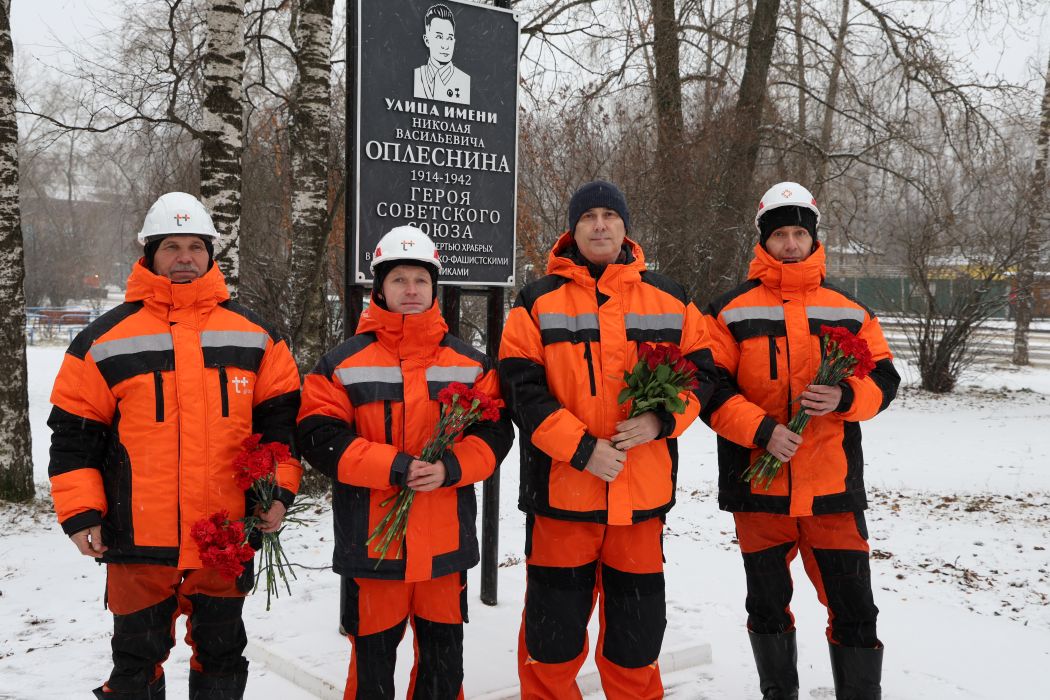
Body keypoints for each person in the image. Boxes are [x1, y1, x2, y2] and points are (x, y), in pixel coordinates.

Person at [47, 192, 303, 700]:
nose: (184, 258)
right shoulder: (102, 340)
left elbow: (281, 427)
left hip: (224, 537)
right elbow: (74, 437)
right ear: (149, 254)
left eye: (195, 247)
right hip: (137, 538)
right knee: (134, 665)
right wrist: (80, 514)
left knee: (223, 657)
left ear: (210, 254)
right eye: (171, 247)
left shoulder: (257, 337)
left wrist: (277, 494)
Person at [498, 180, 718, 699]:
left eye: (609, 216)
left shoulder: (671, 297)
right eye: (588, 217)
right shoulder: (536, 300)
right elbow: (519, 388)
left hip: (640, 500)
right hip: (562, 498)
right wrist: (581, 450)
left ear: (625, 227)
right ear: (572, 231)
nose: (600, 225)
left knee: (635, 640)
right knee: (552, 640)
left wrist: (661, 421)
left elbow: (703, 374)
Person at [701, 182, 900, 699]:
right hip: (759, 490)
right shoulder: (727, 311)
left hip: (832, 490)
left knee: (855, 609)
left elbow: (885, 380)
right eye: (779, 235)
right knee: (767, 608)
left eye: (799, 233)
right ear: (762, 240)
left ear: (813, 237)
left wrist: (845, 396)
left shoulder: (850, 310)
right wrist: (762, 431)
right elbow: (708, 388)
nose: (790, 244)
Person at [297, 226, 512, 700]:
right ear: (380, 287)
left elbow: (495, 433)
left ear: (434, 287)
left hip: (444, 545)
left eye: (420, 280)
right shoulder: (341, 364)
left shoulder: (471, 364)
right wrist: (393, 466)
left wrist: (451, 468)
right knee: (372, 672)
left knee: (443, 669)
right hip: (374, 544)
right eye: (399, 279)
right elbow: (318, 435)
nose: (411, 289)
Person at [412, 3, 471, 105]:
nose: (445, 45)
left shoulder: (464, 81)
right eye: (439, 37)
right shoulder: (416, 76)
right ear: (427, 40)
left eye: (449, 38)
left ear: (454, 41)